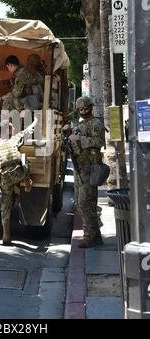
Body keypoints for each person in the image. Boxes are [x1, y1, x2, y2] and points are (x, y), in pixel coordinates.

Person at [62, 96, 105, 248]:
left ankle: (90, 236)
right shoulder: (80, 124)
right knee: (80, 204)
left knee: (86, 203)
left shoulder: (96, 123)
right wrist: (68, 135)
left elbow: (99, 142)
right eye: (81, 109)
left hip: (90, 168)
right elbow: (72, 141)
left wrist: (79, 140)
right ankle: (95, 235)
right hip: (79, 168)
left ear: (90, 108)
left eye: (86, 109)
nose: (83, 111)